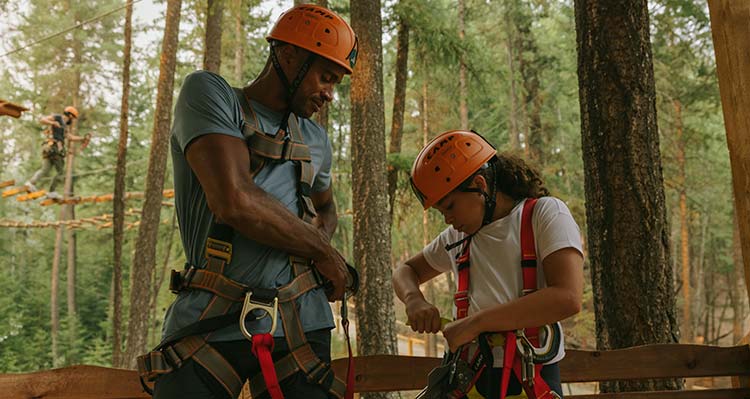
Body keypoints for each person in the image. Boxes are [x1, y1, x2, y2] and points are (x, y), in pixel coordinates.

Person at [139, 4, 359, 399]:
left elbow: (326, 208)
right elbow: (234, 200)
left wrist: (317, 247)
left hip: (300, 324)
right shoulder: (210, 95)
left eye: (336, 83)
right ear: (287, 54)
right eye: (325, 78)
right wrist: (322, 249)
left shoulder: (316, 141)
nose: (329, 94)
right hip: (209, 323)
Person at [393, 130, 584, 398]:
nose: (447, 219)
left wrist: (475, 324)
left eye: (450, 207)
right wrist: (414, 299)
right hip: (468, 377)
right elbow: (405, 271)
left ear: (480, 186)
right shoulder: (457, 237)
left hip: (530, 374)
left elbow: (567, 297)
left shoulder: (544, 215)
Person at [26, 106, 88, 199]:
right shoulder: (58, 117)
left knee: (45, 169)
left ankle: (30, 183)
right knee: (60, 171)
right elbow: (42, 120)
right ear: (70, 115)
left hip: (49, 148)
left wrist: (82, 139)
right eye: (73, 117)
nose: (73, 120)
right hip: (53, 147)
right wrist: (52, 122)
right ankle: (52, 191)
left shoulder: (64, 126)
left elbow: (70, 137)